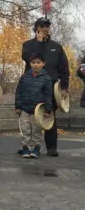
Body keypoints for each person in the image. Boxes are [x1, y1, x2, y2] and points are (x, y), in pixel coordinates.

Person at [21, 17, 69, 156]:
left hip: (51, 86)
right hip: (31, 86)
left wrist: (65, 87)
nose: (45, 29)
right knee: (28, 118)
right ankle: (27, 146)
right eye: (42, 26)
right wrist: (38, 43)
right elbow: (26, 57)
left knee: (49, 115)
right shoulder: (28, 44)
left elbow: (64, 68)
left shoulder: (56, 46)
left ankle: (51, 147)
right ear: (36, 28)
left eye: (47, 26)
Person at [15, 53, 53, 158]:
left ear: (43, 64)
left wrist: (48, 110)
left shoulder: (46, 78)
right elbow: (19, 92)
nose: (35, 65)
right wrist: (18, 106)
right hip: (24, 108)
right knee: (25, 129)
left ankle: (36, 148)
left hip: (38, 110)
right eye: (33, 62)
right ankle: (25, 147)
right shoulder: (24, 77)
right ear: (30, 64)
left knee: (36, 130)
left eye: (38, 62)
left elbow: (48, 95)